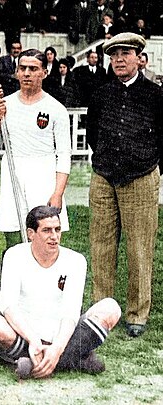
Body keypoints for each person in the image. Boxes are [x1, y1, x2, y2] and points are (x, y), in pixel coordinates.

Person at [0, 206, 121, 379]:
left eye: (57, 230)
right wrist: (33, 340)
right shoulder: (14, 255)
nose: (54, 236)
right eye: (47, 230)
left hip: (62, 335)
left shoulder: (76, 260)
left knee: (111, 308)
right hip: (24, 334)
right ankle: (75, 358)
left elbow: (70, 312)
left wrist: (57, 348)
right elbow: (8, 305)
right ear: (31, 233)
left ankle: (38, 361)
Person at [87, 32, 163, 338]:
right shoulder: (101, 94)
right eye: (114, 54)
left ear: (140, 58)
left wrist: (151, 168)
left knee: (139, 247)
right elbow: (93, 134)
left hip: (141, 178)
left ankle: (136, 313)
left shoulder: (156, 95)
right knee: (101, 246)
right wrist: (105, 160)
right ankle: (101, 311)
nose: (119, 59)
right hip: (104, 177)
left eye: (125, 53)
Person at [0, 48, 71, 250]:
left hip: (43, 174)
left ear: (44, 72)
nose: (26, 73)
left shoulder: (56, 109)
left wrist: (58, 193)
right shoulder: (5, 103)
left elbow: (64, 155)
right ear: (16, 72)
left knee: (44, 236)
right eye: (22, 68)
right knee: (14, 238)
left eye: (33, 69)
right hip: (13, 171)